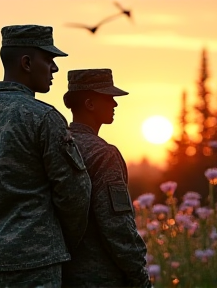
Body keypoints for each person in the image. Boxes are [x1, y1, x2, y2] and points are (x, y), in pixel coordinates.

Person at [0, 25, 91, 288]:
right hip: (35, 265)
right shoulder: (44, 117)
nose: (55, 69)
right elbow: (74, 194)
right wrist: (58, 241)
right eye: (49, 60)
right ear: (27, 63)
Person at [62, 68, 152, 288]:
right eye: (109, 98)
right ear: (90, 104)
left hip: (59, 273)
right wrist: (139, 277)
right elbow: (117, 226)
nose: (115, 104)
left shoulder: (54, 145)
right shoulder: (103, 154)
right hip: (100, 277)